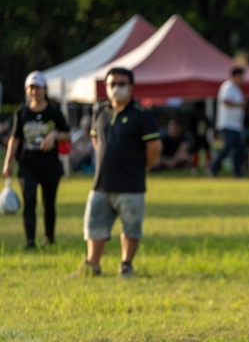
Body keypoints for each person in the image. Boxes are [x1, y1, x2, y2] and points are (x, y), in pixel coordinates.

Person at [76, 67, 162, 277]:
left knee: (131, 228)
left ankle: (126, 264)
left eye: (121, 84)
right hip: (102, 183)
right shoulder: (100, 112)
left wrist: (142, 169)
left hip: (131, 184)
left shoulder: (141, 115)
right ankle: (92, 264)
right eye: (112, 84)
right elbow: (95, 139)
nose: (116, 88)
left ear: (131, 86)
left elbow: (154, 148)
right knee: (94, 226)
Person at [2, 71, 70, 249]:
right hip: (28, 165)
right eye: (30, 88)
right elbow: (15, 138)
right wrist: (8, 162)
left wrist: (54, 135)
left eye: (37, 88)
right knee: (29, 201)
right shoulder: (22, 113)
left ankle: (49, 238)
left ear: (45, 89)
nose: (34, 91)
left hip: (50, 166)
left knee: (49, 203)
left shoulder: (54, 111)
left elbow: (66, 133)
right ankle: (30, 241)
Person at [211, 67, 246, 177]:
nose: (242, 79)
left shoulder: (237, 89)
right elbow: (225, 100)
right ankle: (213, 168)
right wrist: (239, 105)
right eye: (241, 77)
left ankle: (237, 172)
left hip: (236, 125)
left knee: (238, 149)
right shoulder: (227, 86)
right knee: (227, 147)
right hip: (227, 124)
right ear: (235, 76)